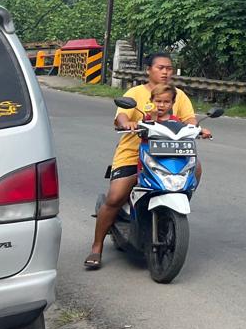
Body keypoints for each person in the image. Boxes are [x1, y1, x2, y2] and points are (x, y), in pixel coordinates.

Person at [85, 52, 203, 270]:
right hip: (134, 152)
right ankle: (96, 247)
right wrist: (126, 123)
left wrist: (197, 128)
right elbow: (122, 115)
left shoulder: (178, 95)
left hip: (170, 152)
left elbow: (189, 118)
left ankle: (173, 208)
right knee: (115, 197)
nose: (165, 72)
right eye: (160, 68)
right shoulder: (135, 93)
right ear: (149, 70)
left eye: (169, 68)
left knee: (196, 169)